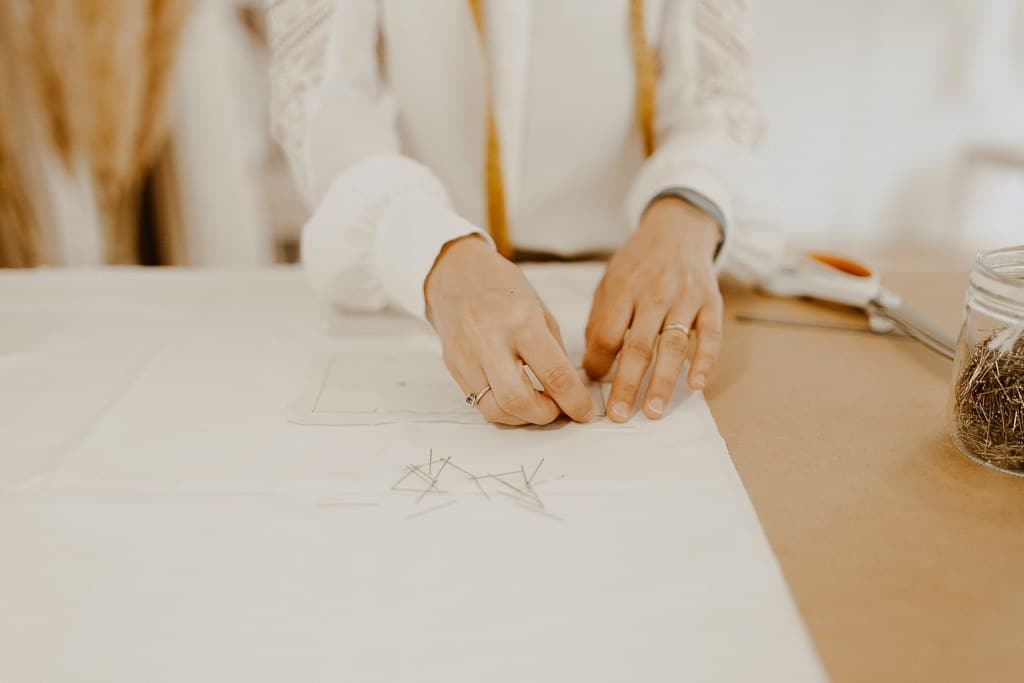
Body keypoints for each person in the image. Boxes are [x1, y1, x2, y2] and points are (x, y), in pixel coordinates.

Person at [269, 0, 778, 426]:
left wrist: (688, 210)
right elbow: (323, 105)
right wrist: (435, 253)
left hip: (638, 298)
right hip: (416, 296)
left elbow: (720, 99)